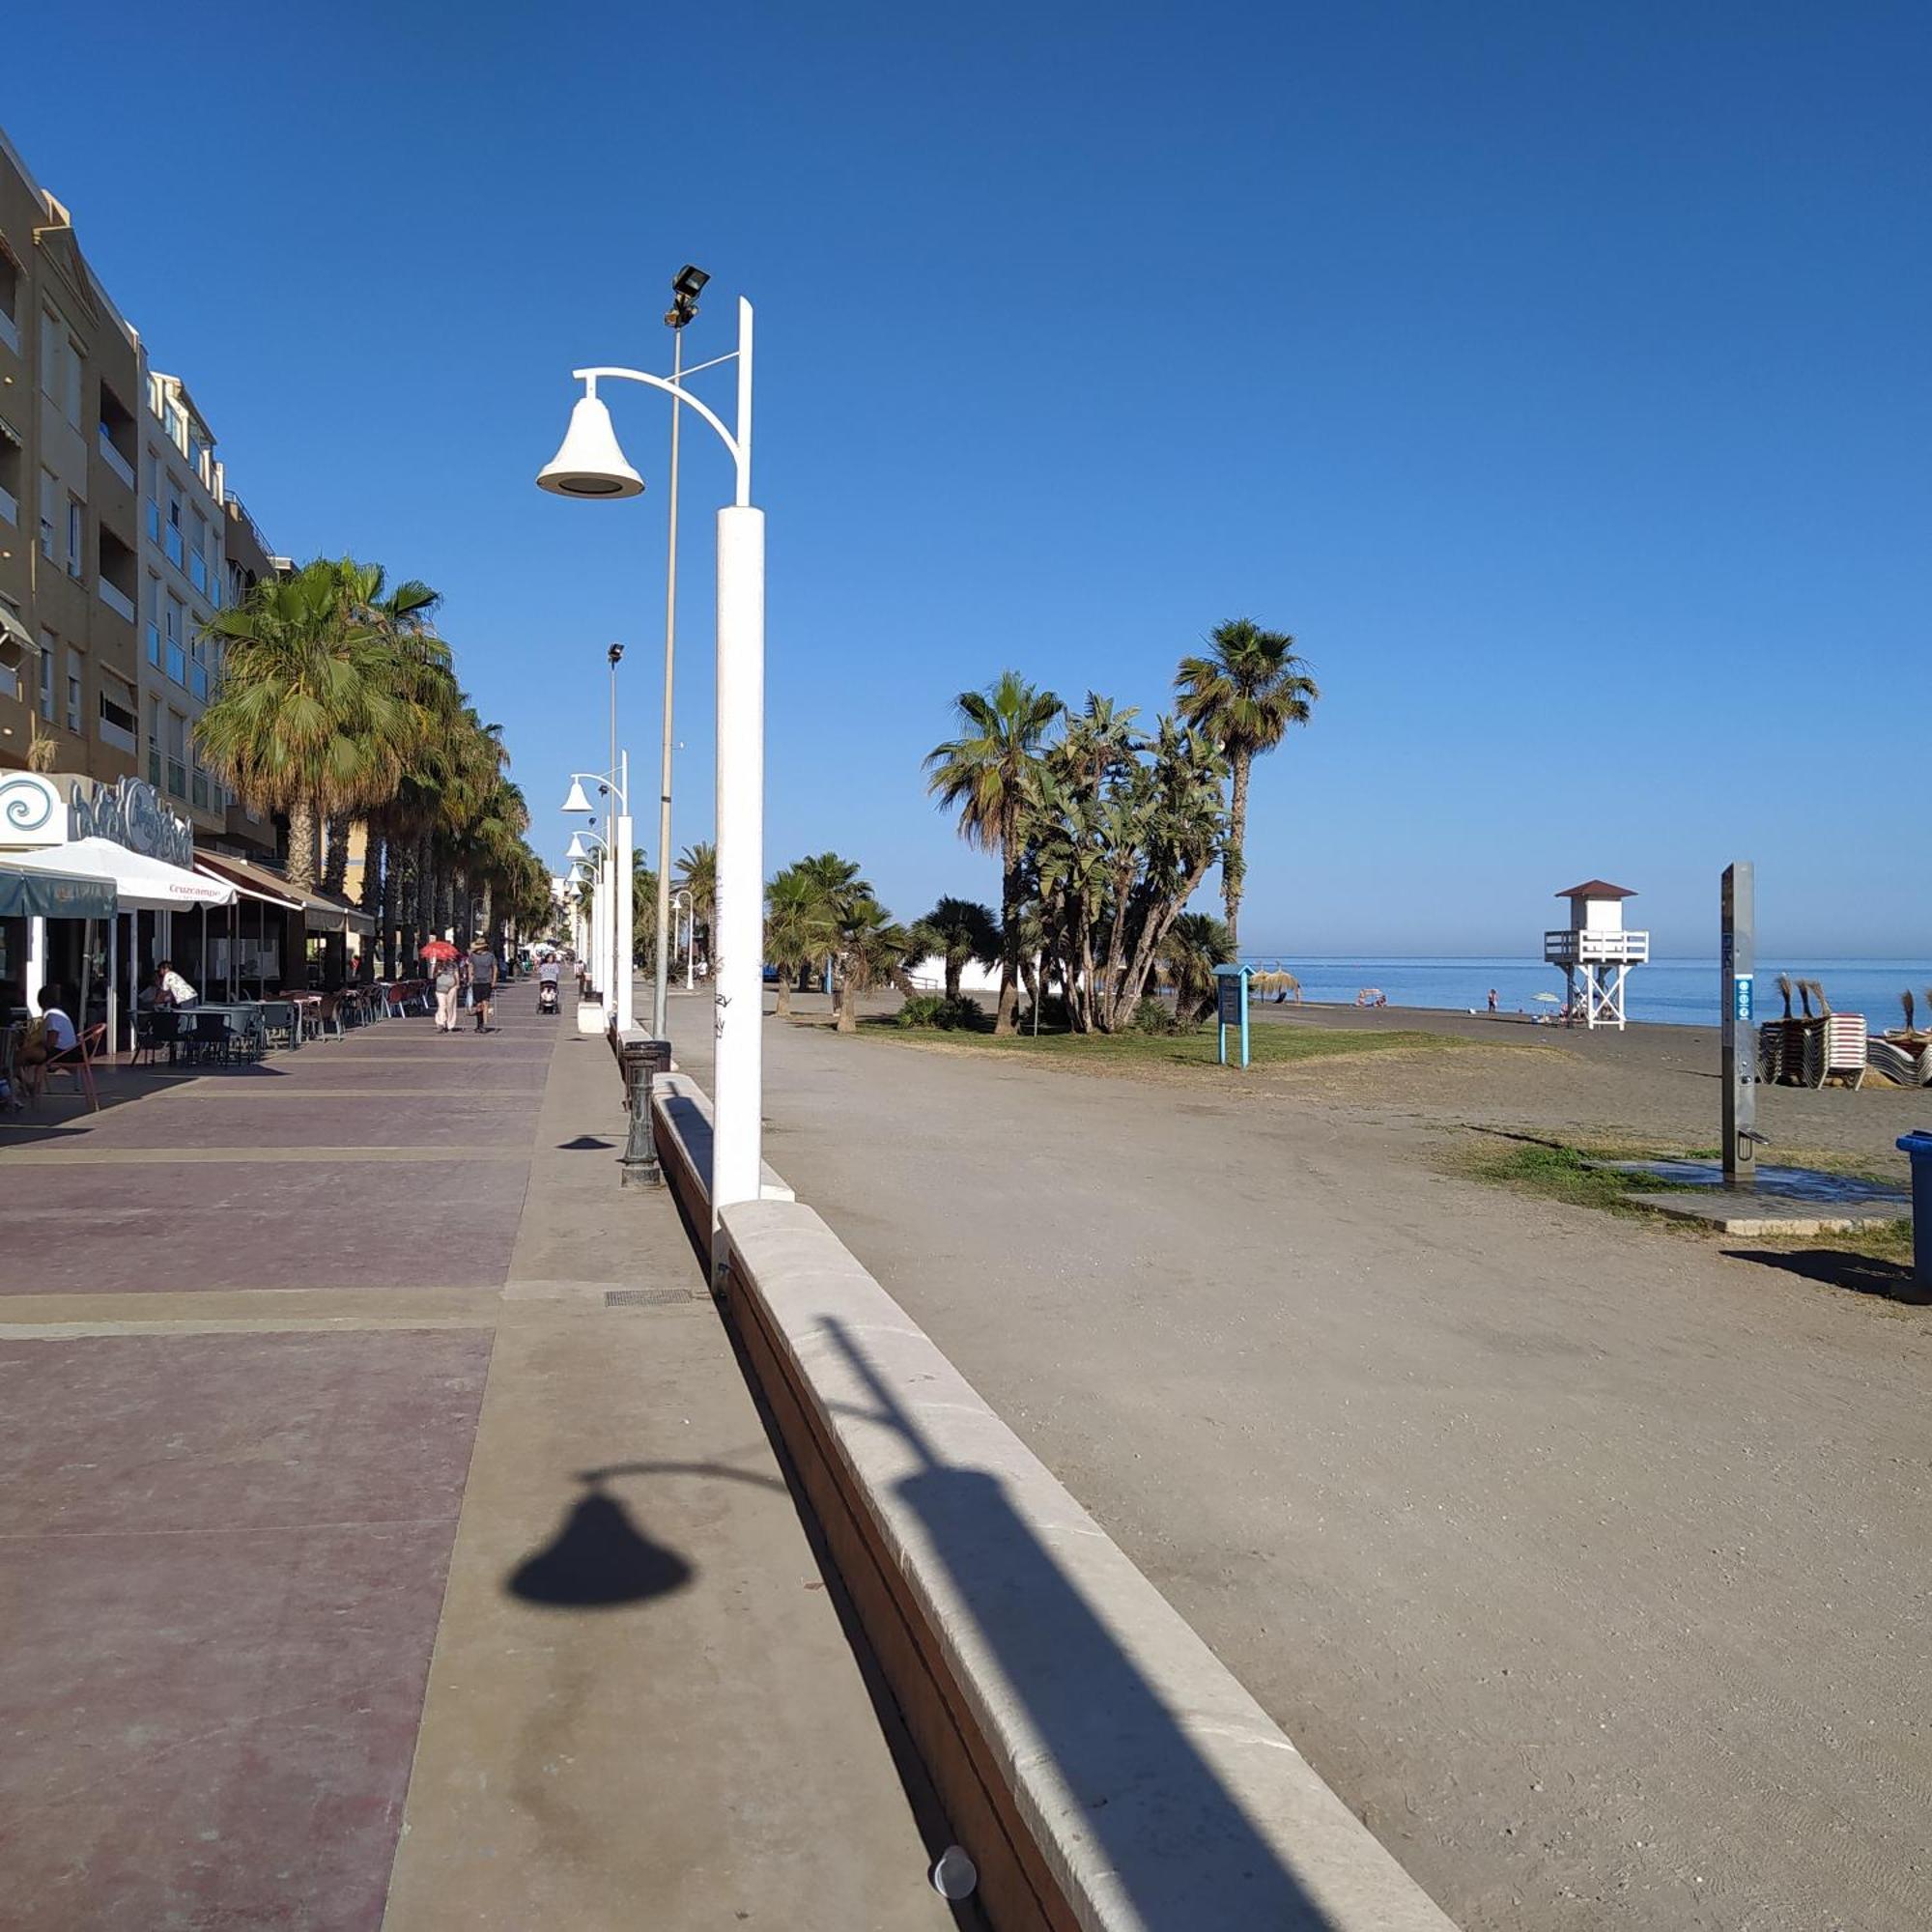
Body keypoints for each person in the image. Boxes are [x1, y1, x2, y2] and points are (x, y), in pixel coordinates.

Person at [18, 984, 77, 1100]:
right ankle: (27, 1084)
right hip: (70, 1050)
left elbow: (51, 1042)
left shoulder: (52, 1016)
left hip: (61, 1053)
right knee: (22, 1056)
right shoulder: (59, 1013)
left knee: (19, 1057)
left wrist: (36, 1043)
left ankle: (23, 1083)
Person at [468, 939, 498, 1033]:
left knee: (485, 1003)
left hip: (486, 981)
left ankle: (484, 1024)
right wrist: (470, 978)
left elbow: (495, 968)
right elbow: (470, 966)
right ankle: (479, 1024)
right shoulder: (473, 956)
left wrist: (494, 980)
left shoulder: (490, 956)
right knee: (478, 1004)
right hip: (476, 982)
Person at [433, 954, 461, 1033]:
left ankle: (450, 1024)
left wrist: (457, 984)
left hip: (451, 987)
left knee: (450, 1006)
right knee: (442, 1006)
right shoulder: (438, 965)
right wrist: (438, 973)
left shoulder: (453, 964)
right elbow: (433, 975)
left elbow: (456, 974)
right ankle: (440, 1023)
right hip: (440, 989)